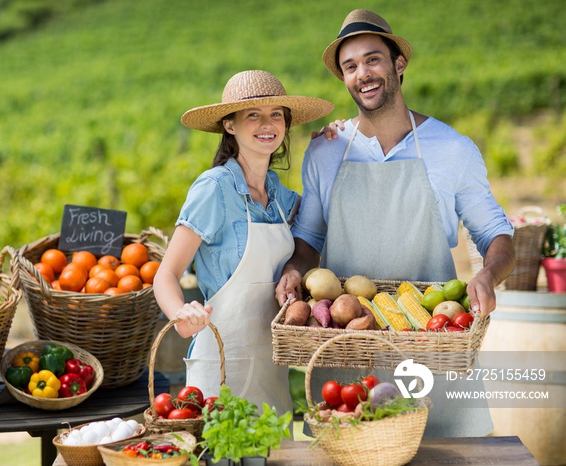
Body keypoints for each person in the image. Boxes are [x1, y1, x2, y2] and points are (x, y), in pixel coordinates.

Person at [275, 10, 515, 437]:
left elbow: (495, 231)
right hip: (349, 350)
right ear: (344, 78)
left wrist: (488, 275)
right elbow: (309, 237)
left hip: (433, 344)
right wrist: (296, 268)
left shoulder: (452, 149)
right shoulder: (326, 152)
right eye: (350, 67)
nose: (362, 74)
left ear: (398, 63)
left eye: (373, 60)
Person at [153, 70, 333, 416]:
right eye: (253, 114)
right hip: (220, 364)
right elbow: (166, 274)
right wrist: (180, 313)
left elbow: (317, 223)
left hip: (271, 365)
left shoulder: (281, 195)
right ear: (230, 125)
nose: (267, 124)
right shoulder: (214, 188)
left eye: (276, 115)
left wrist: (330, 148)